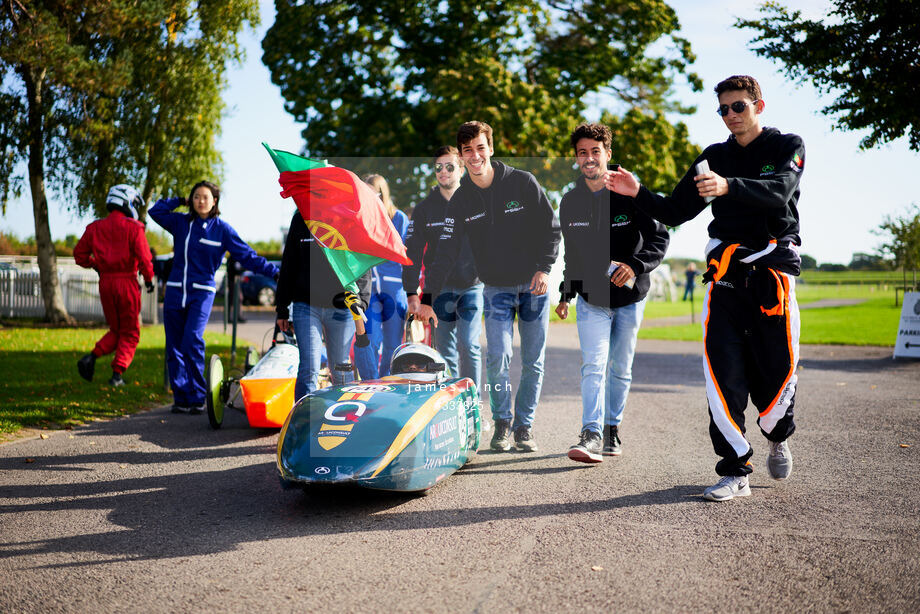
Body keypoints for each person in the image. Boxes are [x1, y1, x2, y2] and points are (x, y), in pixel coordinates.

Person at [606, 75, 804, 501]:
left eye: (738, 107)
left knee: (776, 369)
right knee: (722, 372)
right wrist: (637, 190)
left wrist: (729, 185)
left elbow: (780, 191)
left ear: (759, 106)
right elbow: (676, 210)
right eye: (723, 110)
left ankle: (777, 434)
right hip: (725, 278)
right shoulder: (713, 157)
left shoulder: (787, 146)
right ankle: (735, 469)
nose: (731, 116)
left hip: (772, 276)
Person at [416, 121, 561, 452]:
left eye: (480, 148)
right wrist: (427, 297)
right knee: (497, 356)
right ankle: (502, 424)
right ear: (462, 156)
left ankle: (524, 426)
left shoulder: (523, 183)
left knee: (534, 360)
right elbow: (445, 252)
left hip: (533, 286)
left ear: (490, 149)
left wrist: (544, 268)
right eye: (468, 150)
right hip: (495, 289)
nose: (475, 155)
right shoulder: (462, 200)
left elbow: (551, 228)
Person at [556, 123, 670, 463]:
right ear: (576, 158)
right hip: (591, 299)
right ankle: (590, 432)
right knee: (594, 364)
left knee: (620, 367)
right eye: (582, 152)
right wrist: (566, 294)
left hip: (630, 298)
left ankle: (611, 428)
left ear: (608, 154)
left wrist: (635, 266)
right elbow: (572, 254)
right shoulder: (570, 202)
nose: (589, 158)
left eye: (595, 151)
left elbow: (659, 238)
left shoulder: (629, 192)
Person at [149, 181, 279, 414]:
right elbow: (155, 212)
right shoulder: (181, 223)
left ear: (215, 201)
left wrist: (276, 272)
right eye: (196, 197)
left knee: (191, 339)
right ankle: (181, 398)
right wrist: (179, 201)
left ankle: (198, 395)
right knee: (174, 346)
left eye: (205, 197)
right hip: (175, 290)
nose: (200, 201)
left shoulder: (222, 229)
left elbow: (248, 257)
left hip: (202, 293)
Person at [403, 146, 483, 390]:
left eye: (450, 166)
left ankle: (473, 401)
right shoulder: (424, 208)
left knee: (468, 345)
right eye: (439, 167)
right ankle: (452, 401)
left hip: (472, 286)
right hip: (439, 290)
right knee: (445, 350)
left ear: (461, 169)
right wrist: (411, 293)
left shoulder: (476, 201)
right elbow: (412, 254)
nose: (444, 171)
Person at [275, 209, 372, 399]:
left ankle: (346, 419)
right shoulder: (300, 216)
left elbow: (362, 261)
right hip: (306, 306)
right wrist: (282, 309)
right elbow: (288, 263)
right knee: (308, 368)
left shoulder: (348, 216)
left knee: (340, 368)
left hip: (342, 307)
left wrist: (361, 301)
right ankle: (306, 423)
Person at [74, 184, 155, 387]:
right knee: (130, 332)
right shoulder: (134, 228)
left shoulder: (95, 227)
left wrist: (97, 266)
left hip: (106, 284)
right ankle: (117, 374)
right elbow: (145, 258)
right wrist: (148, 279)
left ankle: (91, 357)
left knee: (117, 329)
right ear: (127, 202)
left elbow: (79, 255)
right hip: (126, 282)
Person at [353, 175, 409, 379]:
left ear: (381, 193)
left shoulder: (399, 218)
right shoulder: (361, 220)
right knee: (371, 338)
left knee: (393, 344)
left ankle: (388, 380)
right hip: (370, 289)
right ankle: (372, 381)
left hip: (394, 288)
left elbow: (403, 251)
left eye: (372, 192)